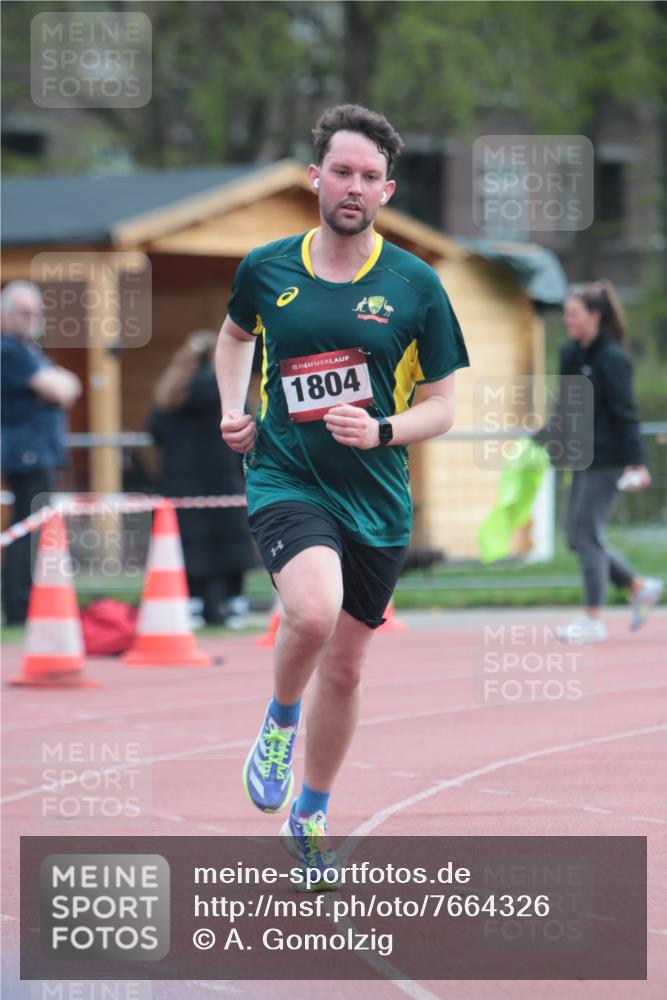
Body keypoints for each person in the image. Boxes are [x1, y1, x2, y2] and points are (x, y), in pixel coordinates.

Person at [215, 104, 469, 886]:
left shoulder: (414, 284)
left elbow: (443, 405)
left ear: (385, 189)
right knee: (312, 611)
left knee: (349, 669)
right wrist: (234, 406)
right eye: (342, 172)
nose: (353, 187)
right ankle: (278, 723)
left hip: (378, 500)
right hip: (287, 477)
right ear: (314, 178)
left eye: (368, 177)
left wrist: (384, 430)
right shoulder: (265, 267)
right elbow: (234, 339)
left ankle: (311, 815)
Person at [539, 281, 662, 643]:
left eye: (573, 315)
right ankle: (639, 586)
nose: (567, 321)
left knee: (587, 536)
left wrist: (637, 463)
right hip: (582, 456)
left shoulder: (613, 357)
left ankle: (593, 618)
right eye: (565, 315)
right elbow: (565, 405)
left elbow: (627, 414)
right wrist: (544, 438)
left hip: (609, 459)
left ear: (595, 316)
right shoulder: (570, 354)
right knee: (576, 536)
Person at [148, 331, 256, 627]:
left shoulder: (170, 393)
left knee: (189, 548)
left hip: (181, 485)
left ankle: (193, 608)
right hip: (226, 482)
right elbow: (246, 430)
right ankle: (234, 607)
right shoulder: (230, 393)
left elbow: (155, 431)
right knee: (232, 546)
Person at [1, 281, 81, 625]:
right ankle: (19, 606)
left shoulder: (30, 351)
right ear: (5, 315)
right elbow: (59, 389)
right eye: (23, 312)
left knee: (36, 527)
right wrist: (57, 383)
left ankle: (27, 601)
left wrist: (59, 383)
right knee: (27, 527)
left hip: (42, 450)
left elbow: (69, 386)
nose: (30, 318)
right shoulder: (10, 351)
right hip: (26, 453)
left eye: (35, 312)